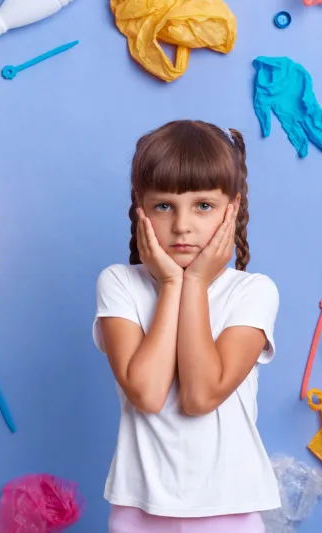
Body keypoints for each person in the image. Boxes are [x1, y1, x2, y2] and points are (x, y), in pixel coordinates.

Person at [92, 120, 281, 533]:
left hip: (230, 507)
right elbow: (147, 392)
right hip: (139, 507)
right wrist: (172, 285)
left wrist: (193, 281)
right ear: (140, 208)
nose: (182, 225)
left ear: (232, 209)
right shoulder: (119, 283)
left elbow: (200, 395)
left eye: (203, 206)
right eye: (164, 206)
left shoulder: (253, 292)